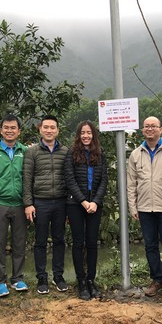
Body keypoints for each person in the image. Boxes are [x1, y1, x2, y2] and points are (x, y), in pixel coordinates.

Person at [126, 116, 162, 301]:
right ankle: (157, 279)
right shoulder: (136, 154)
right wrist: (133, 206)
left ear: (160, 129)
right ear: (142, 130)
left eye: (153, 126)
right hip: (145, 208)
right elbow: (131, 183)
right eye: (146, 126)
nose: (150, 129)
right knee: (150, 246)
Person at [23, 115, 70, 295]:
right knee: (40, 241)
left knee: (59, 240)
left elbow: (69, 178)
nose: (49, 130)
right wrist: (28, 203)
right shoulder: (32, 152)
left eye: (52, 127)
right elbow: (27, 179)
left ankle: (58, 276)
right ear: (40, 129)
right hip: (40, 202)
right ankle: (41, 277)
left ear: (57, 130)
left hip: (61, 202)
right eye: (46, 127)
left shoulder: (65, 151)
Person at [0, 115, 28, 297]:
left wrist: (29, 203)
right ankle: (0, 281)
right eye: (6, 128)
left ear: (19, 131)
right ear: (0, 130)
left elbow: (28, 178)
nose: (10, 131)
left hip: (20, 204)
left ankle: (17, 278)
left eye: (13, 128)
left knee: (19, 243)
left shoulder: (24, 151)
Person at [64, 120, 108, 300]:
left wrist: (95, 202)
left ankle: (91, 280)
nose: (86, 136)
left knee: (91, 243)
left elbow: (104, 180)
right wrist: (83, 201)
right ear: (78, 135)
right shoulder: (72, 153)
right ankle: (81, 281)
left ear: (93, 135)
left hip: (95, 205)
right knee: (78, 242)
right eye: (83, 133)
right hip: (76, 204)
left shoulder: (100, 153)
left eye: (89, 132)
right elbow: (70, 179)